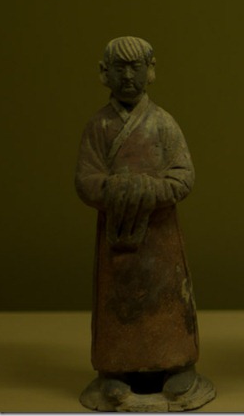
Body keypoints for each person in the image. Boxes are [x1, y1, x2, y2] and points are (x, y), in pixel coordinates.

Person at [75, 36, 213, 411]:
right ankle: (115, 370)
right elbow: (85, 180)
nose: (128, 76)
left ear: (150, 71)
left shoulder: (163, 123)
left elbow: (184, 176)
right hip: (117, 237)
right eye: (119, 68)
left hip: (160, 235)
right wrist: (116, 189)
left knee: (167, 299)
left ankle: (178, 366)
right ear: (104, 73)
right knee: (117, 301)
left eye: (135, 67)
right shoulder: (99, 126)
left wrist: (148, 190)